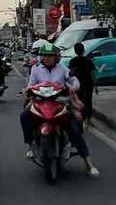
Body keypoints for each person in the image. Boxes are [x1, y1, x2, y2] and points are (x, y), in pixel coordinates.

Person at [22, 44, 99, 177]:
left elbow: (74, 80)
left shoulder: (62, 68)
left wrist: (73, 87)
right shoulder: (36, 69)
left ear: (56, 57)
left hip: (60, 103)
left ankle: (89, 164)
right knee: (24, 116)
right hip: (41, 102)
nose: (47, 58)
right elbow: (31, 85)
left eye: (50, 56)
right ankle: (30, 145)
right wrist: (28, 90)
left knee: (75, 129)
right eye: (45, 55)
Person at [69, 43, 97, 125]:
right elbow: (92, 73)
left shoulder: (73, 61)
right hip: (88, 84)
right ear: (83, 50)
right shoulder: (88, 61)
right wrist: (96, 85)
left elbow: (70, 73)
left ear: (75, 51)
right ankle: (88, 119)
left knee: (78, 101)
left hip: (77, 85)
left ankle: (79, 118)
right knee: (88, 101)